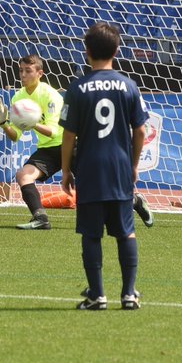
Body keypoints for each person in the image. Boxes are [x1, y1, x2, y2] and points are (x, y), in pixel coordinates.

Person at [59, 21, 150, 311]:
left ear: (86, 51)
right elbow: (140, 130)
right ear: (117, 50)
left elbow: (68, 135)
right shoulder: (129, 85)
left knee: (91, 233)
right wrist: (133, 164)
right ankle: (129, 294)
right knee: (126, 231)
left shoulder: (77, 88)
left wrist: (66, 170)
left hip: (90, 168)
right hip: (120, 166)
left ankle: (97, 296)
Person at [0, 54, 65, 230]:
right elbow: (15, 136)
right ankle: (41, 218)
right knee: (23, 175)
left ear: (40, 73)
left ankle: (127, 208)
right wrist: (4, 123)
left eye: (28, 71)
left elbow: (53, 131)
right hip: (48, 149)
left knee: (95, 186)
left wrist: (33, 123)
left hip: (71, 145)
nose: (23, 75)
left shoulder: (51, 95)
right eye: (21, 70)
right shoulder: (18, 97)